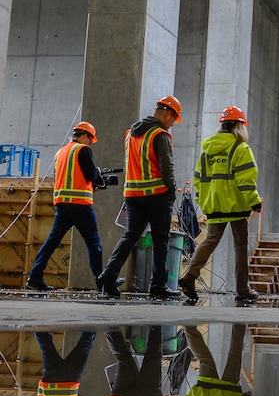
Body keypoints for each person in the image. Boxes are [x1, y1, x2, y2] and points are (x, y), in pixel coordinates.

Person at [97, 96, 182, 300]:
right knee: (161, 240)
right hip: (156, 195)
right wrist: (171, 188)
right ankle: (158, 286)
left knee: (131, 235)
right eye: (173, 119)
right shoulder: (160, 135)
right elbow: (166, 167)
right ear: (167, 113)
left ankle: (108, 276)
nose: (172, 124)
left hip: (132, 194)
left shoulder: (130, 134)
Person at [178, 106, 262, 303]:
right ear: (240, 126)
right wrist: (254, 202)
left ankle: (189, 277)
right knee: (240, 246)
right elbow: (246, 181)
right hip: (237, 205)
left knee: (210, 240)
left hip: (214, 205)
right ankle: (242, 289)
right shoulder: (241, 149)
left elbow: (198, 180)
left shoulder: (207, 151)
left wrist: (204, 201)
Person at [26, 121, 105, 291]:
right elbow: (90, 173)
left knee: (52, 241)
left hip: (62, 204)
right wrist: (99, 178)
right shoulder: (82, 149)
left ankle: (35, 276)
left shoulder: (60, 153)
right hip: (80, 205)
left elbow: (69, 176)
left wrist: (91, 185)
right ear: (85, 135)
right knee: (93, 243)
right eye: (90, 139)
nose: (91, 143)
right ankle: (102, 282)